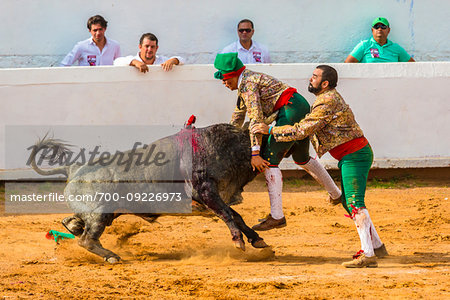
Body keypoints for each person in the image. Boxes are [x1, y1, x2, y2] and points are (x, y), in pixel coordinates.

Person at [251, 65, 388, 268]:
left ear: (325, 83)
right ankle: (376, 246)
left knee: (354, 202)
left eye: (315, 77)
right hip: (352, 154)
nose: (310, 79)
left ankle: (368, 255)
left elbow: (303, 129)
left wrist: (271, 130)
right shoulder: (325, 99)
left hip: (354, 155)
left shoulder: (327, 102)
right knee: (349, 202)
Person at [213, 53, 341, 231]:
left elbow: (256, 122)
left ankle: (277, 216)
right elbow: (238, 115)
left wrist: (256, 153)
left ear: (234, 75)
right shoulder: (246, 81)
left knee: (268, 161)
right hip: (298, 106)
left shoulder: (248, 85)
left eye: (225, 78)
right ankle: (336, 194)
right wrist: (227, 137)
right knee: (301, 158)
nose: (224, 82)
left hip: (290, 111)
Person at [345, 17, 415, 63]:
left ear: (388, 30)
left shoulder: (396, 48)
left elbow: (412, 65)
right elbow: (347, 64)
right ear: (372, 30)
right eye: (376, 27)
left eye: (383, 26)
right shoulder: (364, 45)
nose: (380, 29)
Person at [113, 33, 184, 72]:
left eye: (152, 47)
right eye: (147, 46)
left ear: (157, 48)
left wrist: (173, 60)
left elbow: (182, 60)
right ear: (140, 47)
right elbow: (117, 62)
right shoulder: (133, 60)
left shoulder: (162, 61)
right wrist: (135, 62)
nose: (149, 50)